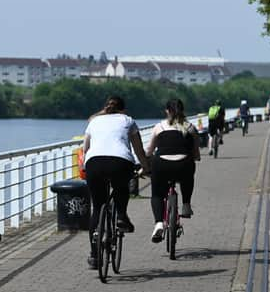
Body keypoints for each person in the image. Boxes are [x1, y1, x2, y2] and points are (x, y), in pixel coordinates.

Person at [83, 96, 150, 269]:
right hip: (120, 162)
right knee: (121, 189)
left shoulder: (94, 121)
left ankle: (94, 256)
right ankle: (121, 216)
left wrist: (86, 166)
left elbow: (86, 149)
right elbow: (138, 149)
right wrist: (145, 167)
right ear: (123, 110)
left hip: (94, 163)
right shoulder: (128, 120)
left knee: (97, 207)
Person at [146, 98, 200, 242]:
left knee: (157, 194)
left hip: (161, 164)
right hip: (183, 165)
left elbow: (149, 151)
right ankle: (186, 205)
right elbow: (196, 154)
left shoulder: (159, 127)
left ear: (167, 111)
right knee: (188, 175)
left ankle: (158, 223)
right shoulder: (190, 127)